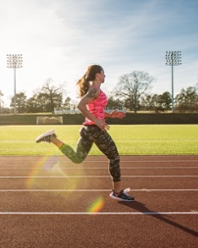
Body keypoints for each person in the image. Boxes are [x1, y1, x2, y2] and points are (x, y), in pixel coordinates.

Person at [35, 64, 134, 202]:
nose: (105, 76)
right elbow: (80, 105)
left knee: (77, 158)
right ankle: (117, 192)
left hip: (88, 129)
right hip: (94, 129)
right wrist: (98, 122)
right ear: (98, 74)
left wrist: (110, 115)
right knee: (114, 157)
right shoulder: (94, 90)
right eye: (103, 73)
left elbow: (96, 111)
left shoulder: (96, 90)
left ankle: (52, 138)